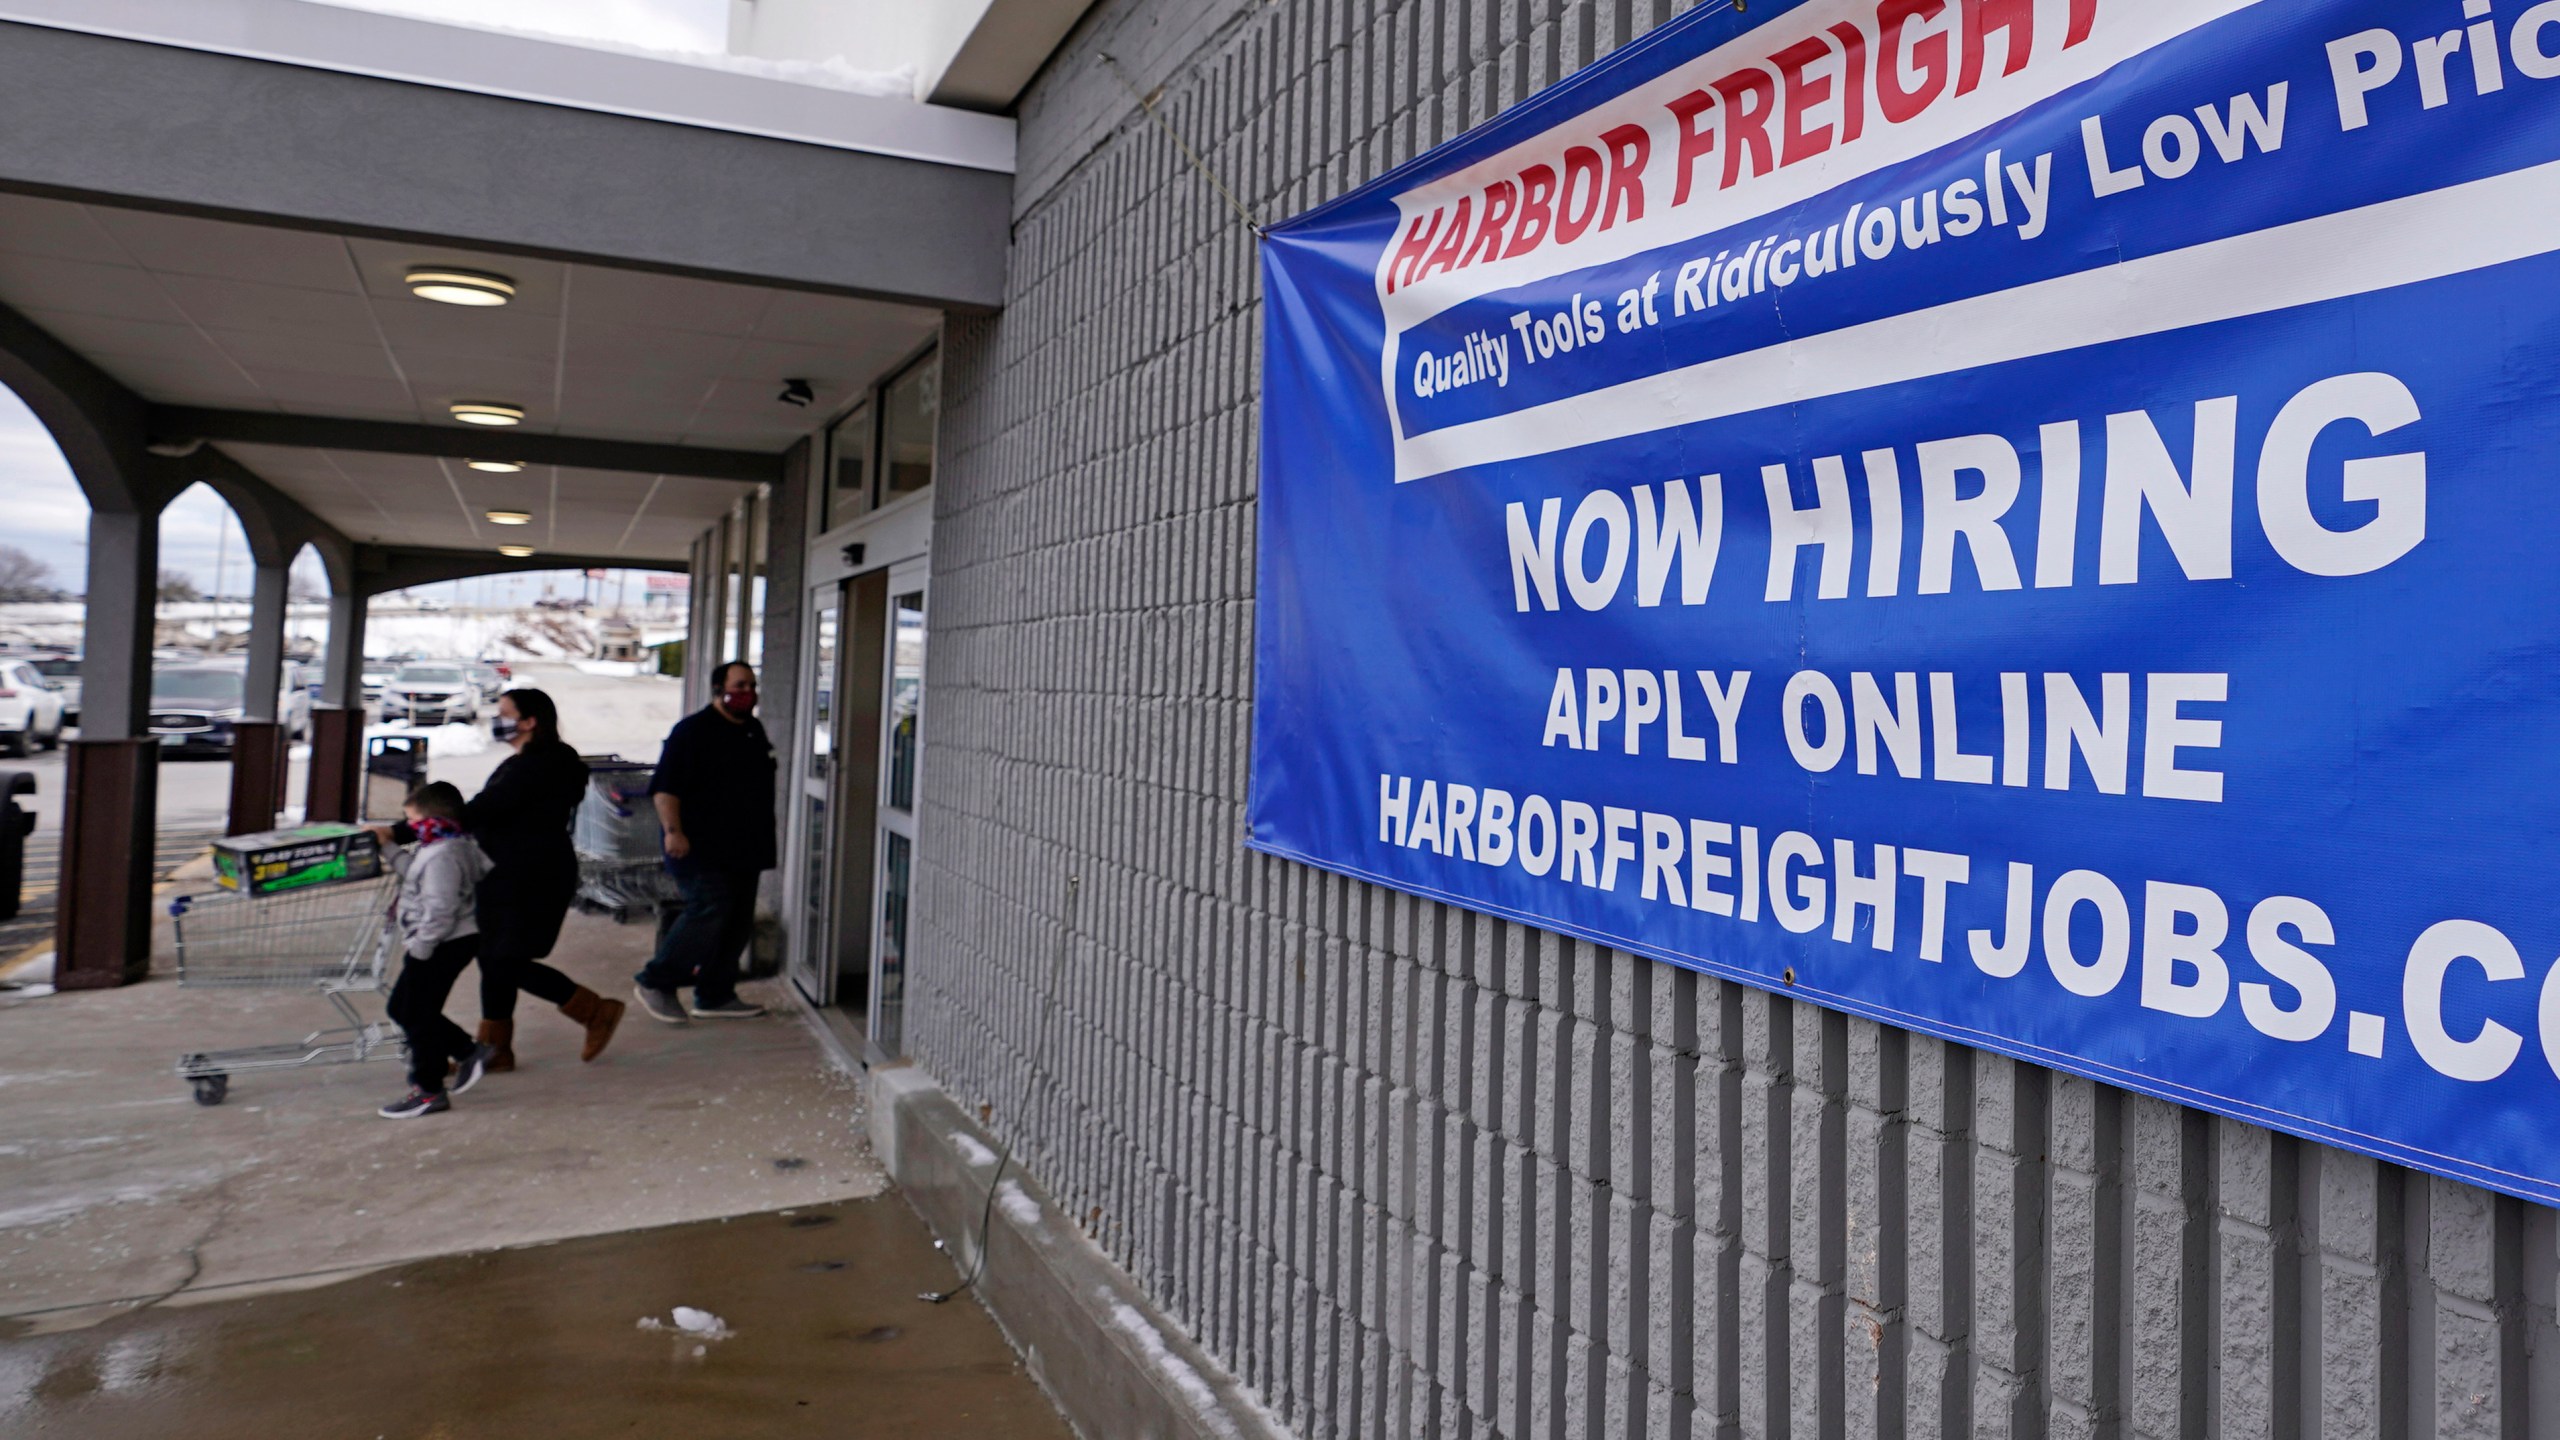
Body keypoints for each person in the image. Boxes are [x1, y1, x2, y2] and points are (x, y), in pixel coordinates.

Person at [376, 689, 625, 1070]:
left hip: (529, 878)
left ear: (529, 722)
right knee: (496, 957)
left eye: (505, 713)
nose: (496, 719)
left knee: (504, 960)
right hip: (513, 873)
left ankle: (593, 1010)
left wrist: (402, 832)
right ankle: (496, 1047)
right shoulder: (534, 762)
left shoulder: (535, 767)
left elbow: (475, 812)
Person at [632, 660, 776, 1023]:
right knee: (709, 908)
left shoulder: (752, 730)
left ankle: (715, 994)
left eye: (752, 686)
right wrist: (673, 831)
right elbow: (665, 789)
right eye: (739, 686)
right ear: (718, 690)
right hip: (697, 846)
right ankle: (656, 981)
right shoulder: (692, 732)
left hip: (745, 847)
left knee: (736, 922)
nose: (748, 694)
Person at [379, 781, 496, 1119]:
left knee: (416, 1013)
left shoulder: (445, 854)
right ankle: (467, 1051)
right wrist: (387, 847)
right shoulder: (439, 845)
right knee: (402, 1007)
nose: (410, 829)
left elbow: (441, 909)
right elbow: (414, 874)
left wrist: (421, 947)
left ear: (433, 818)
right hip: (441, 941)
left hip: (443, 943)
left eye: (413, 822)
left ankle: (428, 1090)